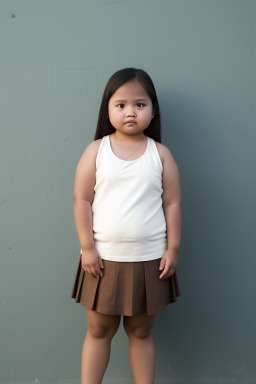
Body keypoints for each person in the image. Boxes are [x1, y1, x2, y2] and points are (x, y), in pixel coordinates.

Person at [71, 67, 182, 384]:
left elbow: (172, 203)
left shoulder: (161, 155)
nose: (130, 112)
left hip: (150, 260)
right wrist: (88, 248)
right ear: (107, 109)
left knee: (142, 332)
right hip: (101, 260)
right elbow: (82, 201)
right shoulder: (96, 151)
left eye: (140, 104)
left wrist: (172, 248)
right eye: (120, 105)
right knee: (98, 330)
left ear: (152, 109)